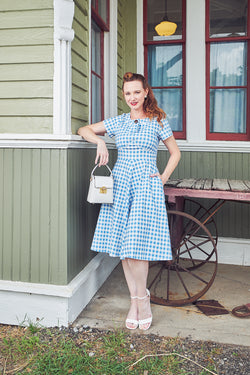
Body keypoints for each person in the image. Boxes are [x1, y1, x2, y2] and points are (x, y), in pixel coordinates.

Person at [78, 72, 181, 331]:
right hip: (121, 185)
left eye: (136, 92)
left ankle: (143, 301)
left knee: (138, 246)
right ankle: (135, 300)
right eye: (127, 93)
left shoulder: (158, 120)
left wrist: (163, 177)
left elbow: (175, 152)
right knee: (125, 248)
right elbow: (83, 130)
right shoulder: (119, 122)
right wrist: (99, 141)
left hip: (146, 186)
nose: (132, 97)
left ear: (145, 92)